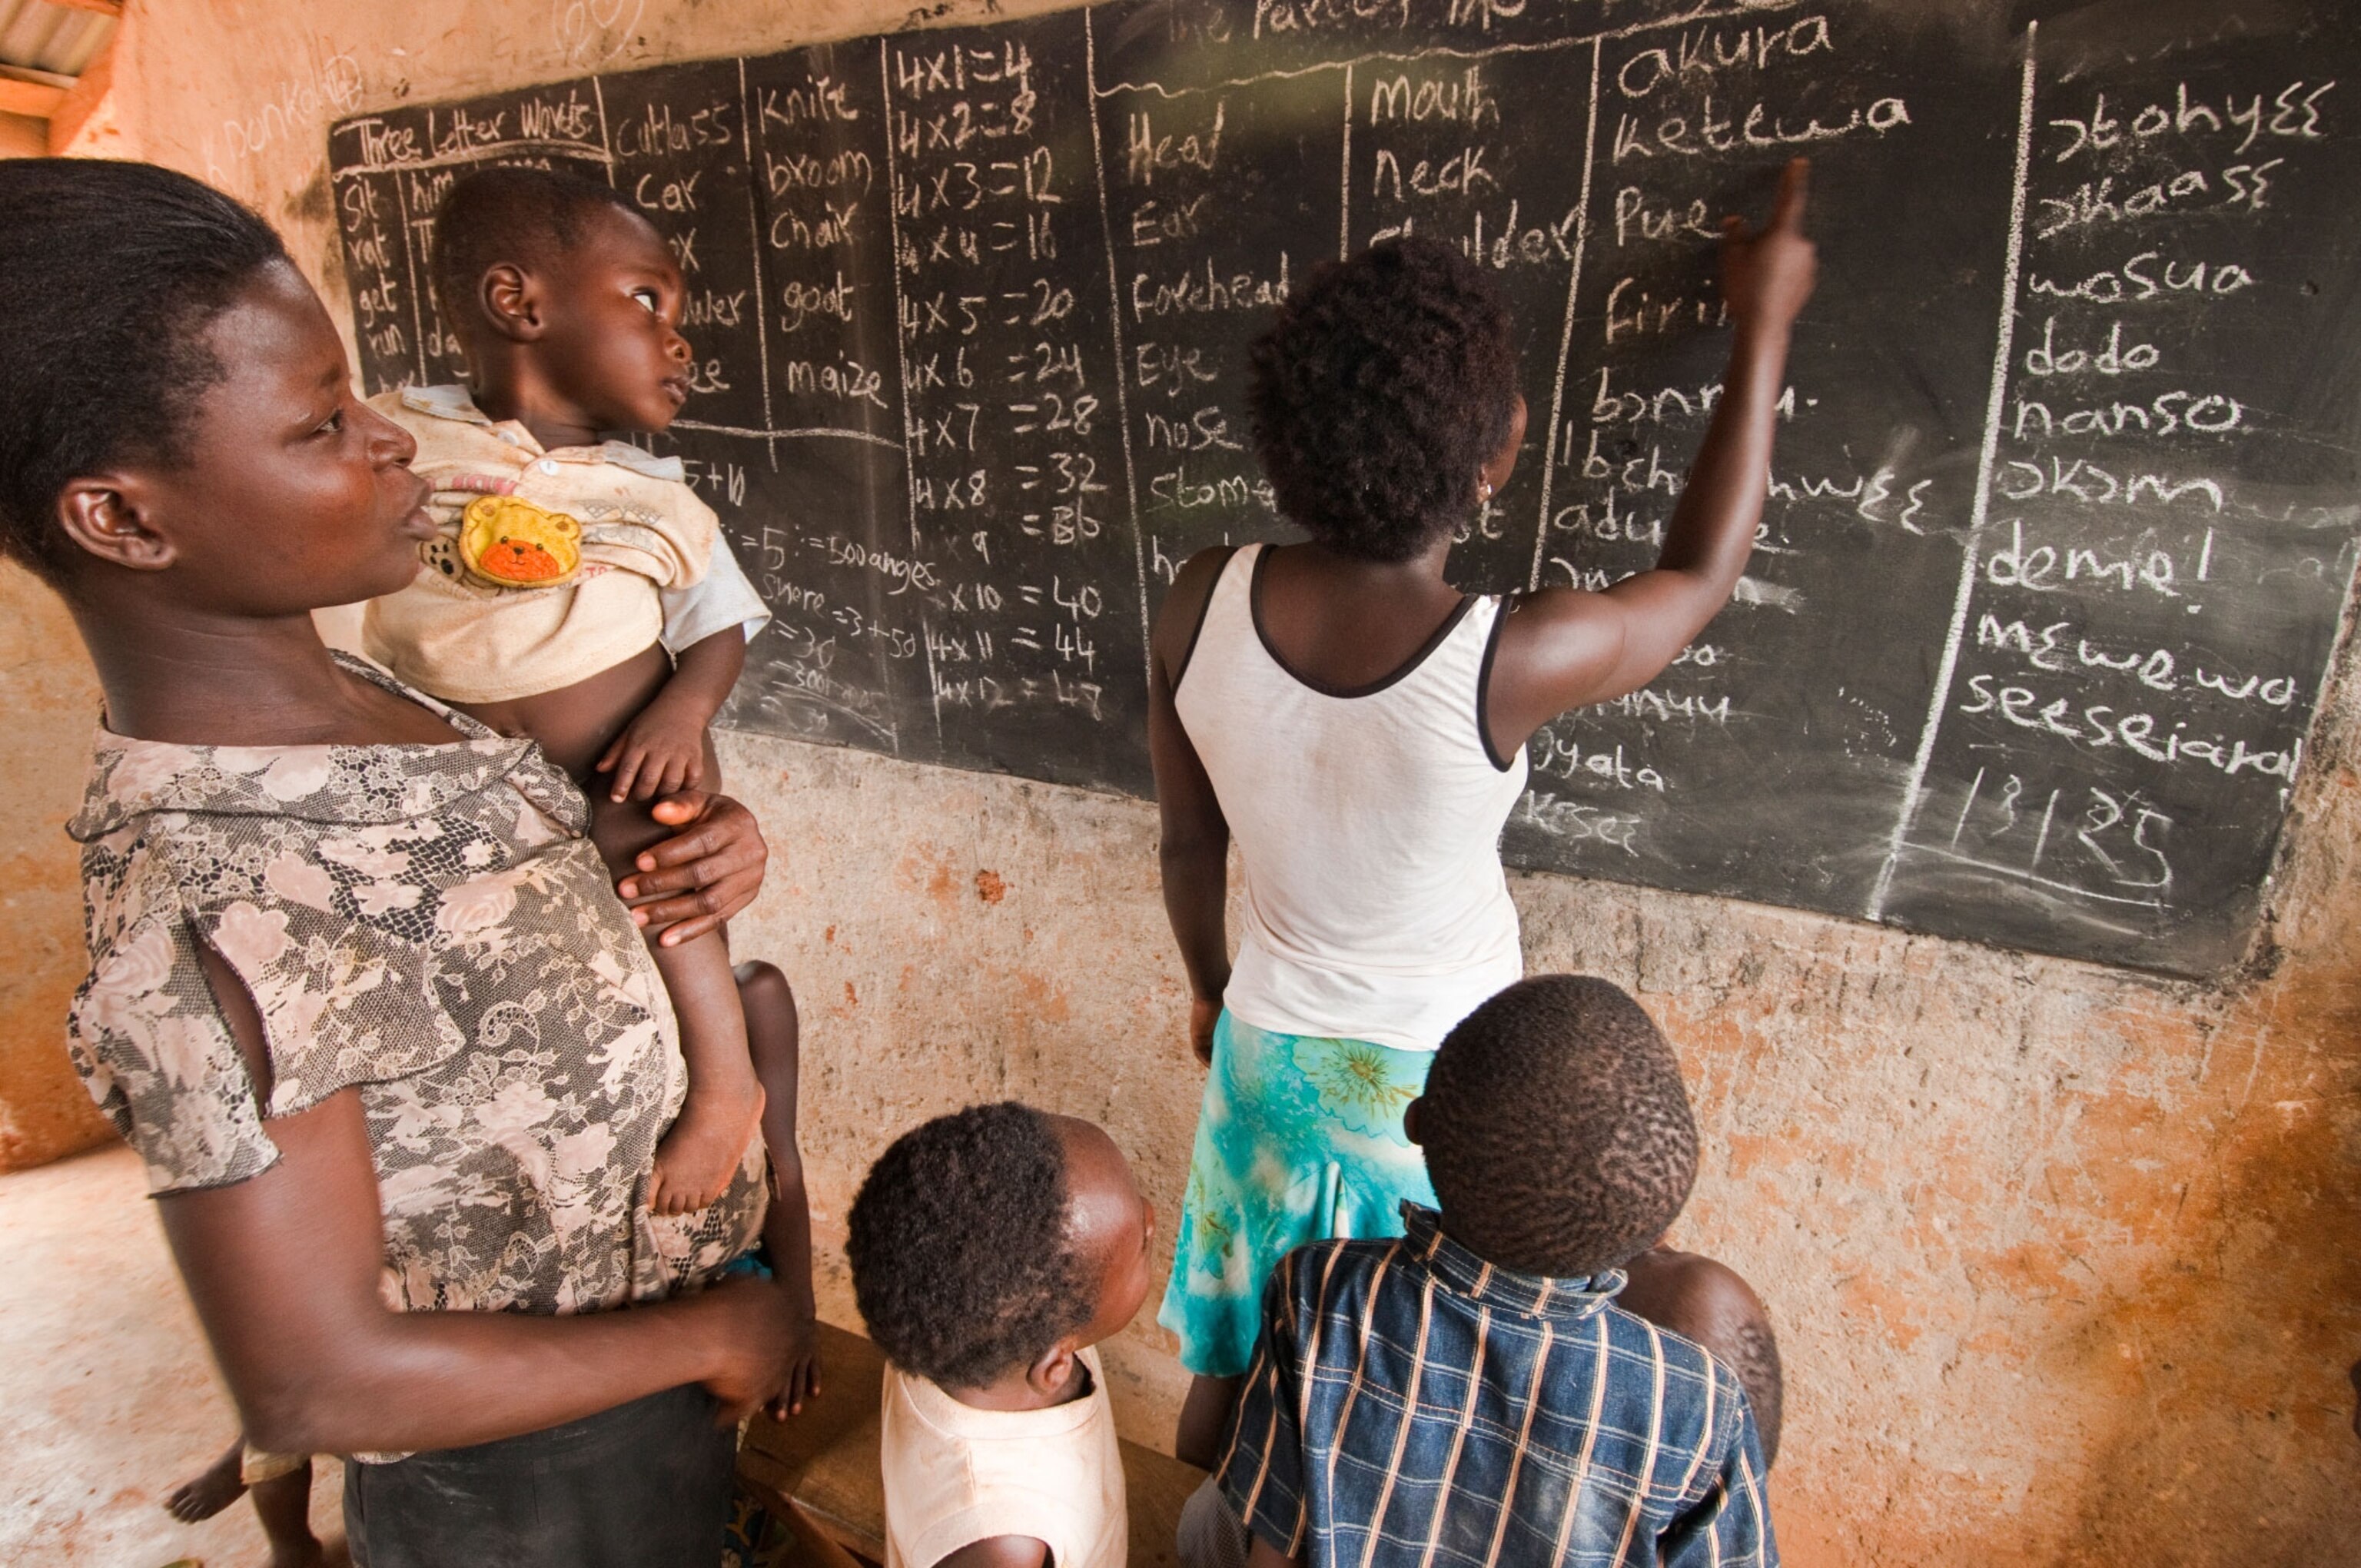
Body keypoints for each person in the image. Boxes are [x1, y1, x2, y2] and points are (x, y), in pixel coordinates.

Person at [0, 157, 808, 1566]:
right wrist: (715, 1327)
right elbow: (315, 1378)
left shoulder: (391, 707)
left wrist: (699, 864)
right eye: (322, 424)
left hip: (651, 1410)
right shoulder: (215, 907)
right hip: (518, 1496)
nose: (392, 442)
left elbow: (529, 897)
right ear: (122, 518)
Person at [1151, 160, 1818, 1466]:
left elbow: (1188, 840)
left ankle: (1200, 1525)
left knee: (1245, 1360)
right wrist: (1765, 326)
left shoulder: (1198, 594)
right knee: (1419, 1392)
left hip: (1267, 1053)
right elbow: (1695, 575)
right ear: (1499, 453)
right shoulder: (1504, 657)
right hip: (1441, 1102)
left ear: (1286, 433)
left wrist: (1208, 987)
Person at [361, 164, 779, 1218]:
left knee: (663, 870)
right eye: (648, 300)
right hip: (450, 781)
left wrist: (683, 714)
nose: (679, 340)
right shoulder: (400, 442)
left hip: (622, 760)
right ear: (520, 306)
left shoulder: (652, 496)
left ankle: (727, 1082)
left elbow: (716, 623)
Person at [1191, 976, 1778, 1568]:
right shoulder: (1698, 1404)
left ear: (1415, 1123)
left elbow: (1275, 1551)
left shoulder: (1321, 1291)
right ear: (1652, 1220)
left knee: (1203, 1521)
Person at [845, 1103, 1157, 1568]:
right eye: (1142, 1246)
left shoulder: (948, 1325)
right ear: (1055, 1366)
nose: (1152, 1216)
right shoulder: (1003, 1541)